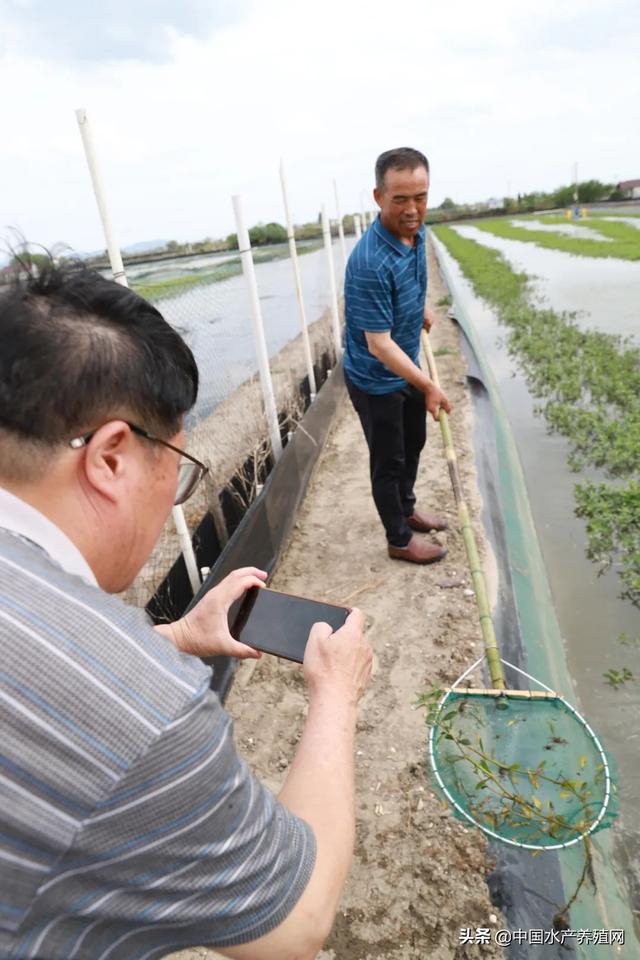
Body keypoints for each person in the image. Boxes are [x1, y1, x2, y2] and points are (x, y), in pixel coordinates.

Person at [0, 259, 373, 960]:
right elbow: (295, 921)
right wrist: (336, 693)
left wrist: (169, 636)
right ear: (111, 457)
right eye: (176, 468)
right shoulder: (147, 712)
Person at [344, 146, 452, 565]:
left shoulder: (417, 231)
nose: (412, 209)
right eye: (400, 199)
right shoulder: (370, 261)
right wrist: (427, 384)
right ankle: (399, 537)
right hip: (376, 377)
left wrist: (418, 306)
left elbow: (416, 275)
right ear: (378, 197)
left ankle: (408, 508)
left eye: (420, 197)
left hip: (405, 366)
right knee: (389, 460)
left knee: (415, 441)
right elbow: (379, 344)